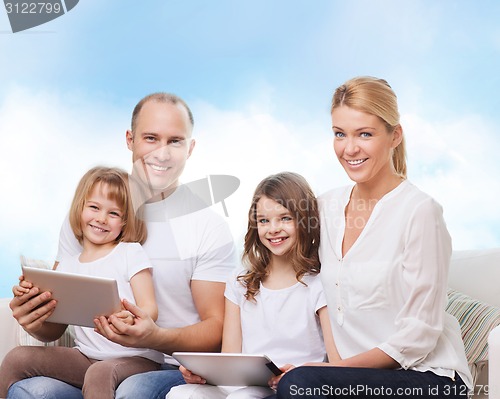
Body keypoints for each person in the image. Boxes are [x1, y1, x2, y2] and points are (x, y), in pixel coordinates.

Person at [6, 93, 237, 399]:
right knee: (29, 390)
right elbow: (56, 323)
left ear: (190, 148)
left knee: (131, 389)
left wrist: (157, 336)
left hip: (168, 366)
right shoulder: (89, 218)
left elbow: (217, 327)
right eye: (151, 138)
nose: (162, 154)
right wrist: (35, 317)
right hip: (91, 360)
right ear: (130, 139)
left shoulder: (208, 227)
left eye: (175, 141)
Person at [271, 77, 473, 398]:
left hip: (426, 377)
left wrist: (329, 371)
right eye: (340, 134)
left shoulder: (420, 212)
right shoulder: (326, 207)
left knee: (302, 385)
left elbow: (419, 335)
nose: (349, 148)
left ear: (395, 136)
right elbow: (293, 285)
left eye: (365, 134)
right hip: (351, 376)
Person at [167, 172, 340, 399]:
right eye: (264, 220)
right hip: (247, 386)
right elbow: (230, 357)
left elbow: (337, 363)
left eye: (285, 218)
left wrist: (297, 374)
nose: (273, 229)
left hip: (296, 387)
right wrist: (202, 374)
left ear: (305, 220)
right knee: (181, 394)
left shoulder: (319, 282)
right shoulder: (240, 281)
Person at [0, 166, 162, 398]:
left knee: (100, 372)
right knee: (17, 358)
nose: (101, 219)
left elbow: (150, 308)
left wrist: (134, 317)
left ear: (125, 222)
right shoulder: (67, 266)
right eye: (94, 207)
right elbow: (55, 324)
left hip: (136, 358)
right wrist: (31, 300)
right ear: (80, 209)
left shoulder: (130, 252)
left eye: (113, 213)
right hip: (86, 357)